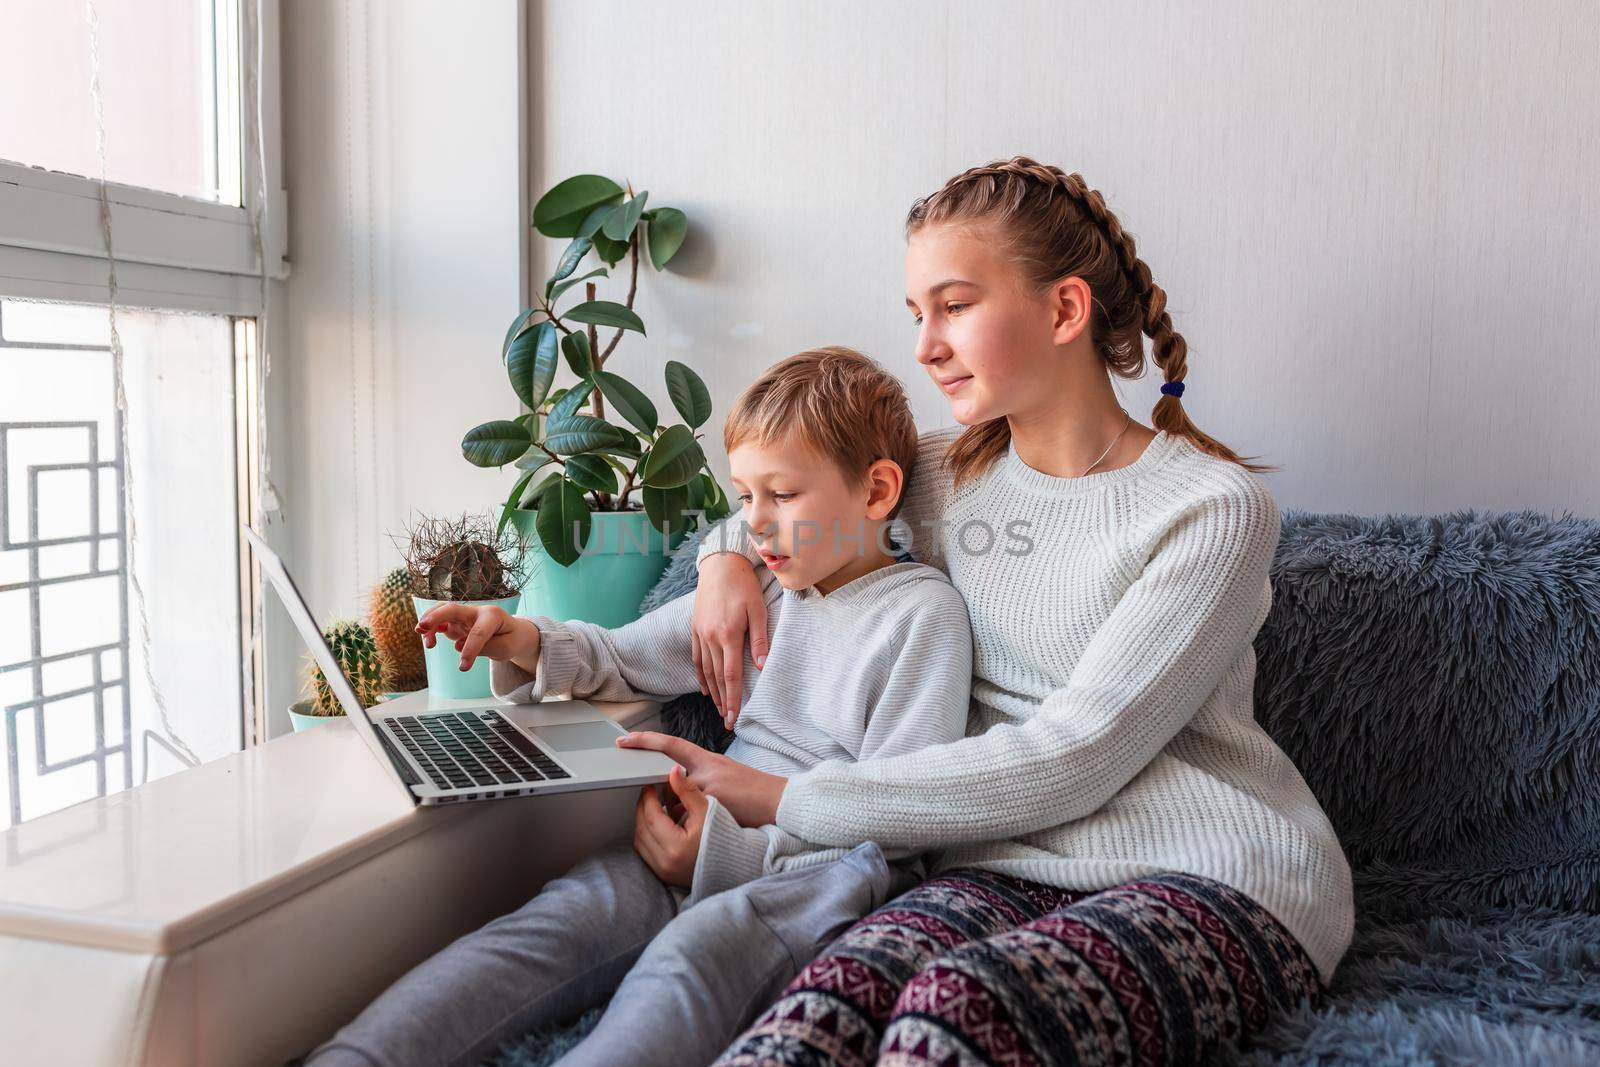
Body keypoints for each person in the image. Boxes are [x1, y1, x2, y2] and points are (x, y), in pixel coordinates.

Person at [618, 157, 1357, 1066]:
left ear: (1063, 311)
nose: (925, 344)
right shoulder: (941, 472)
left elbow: (1076, 756)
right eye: (916, 314)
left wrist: (787, 800)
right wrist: (723, 560)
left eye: (954, 305)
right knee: (810, 1020)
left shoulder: (1210, 510)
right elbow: (787, 493)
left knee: (952, 1012)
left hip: (1214, 874)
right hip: (995, 861)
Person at [303, 347, 974, 1067]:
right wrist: (520, 639)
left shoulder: (923, 618)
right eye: (746, 498)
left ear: (876, 493)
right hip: (690, 839)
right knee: (559, 918)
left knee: (690, 961)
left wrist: (726, 856)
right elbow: (621, 656)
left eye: (781, 495)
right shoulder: (769, 586)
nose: (755, 524)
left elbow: (896, 827)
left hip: (812, 880)